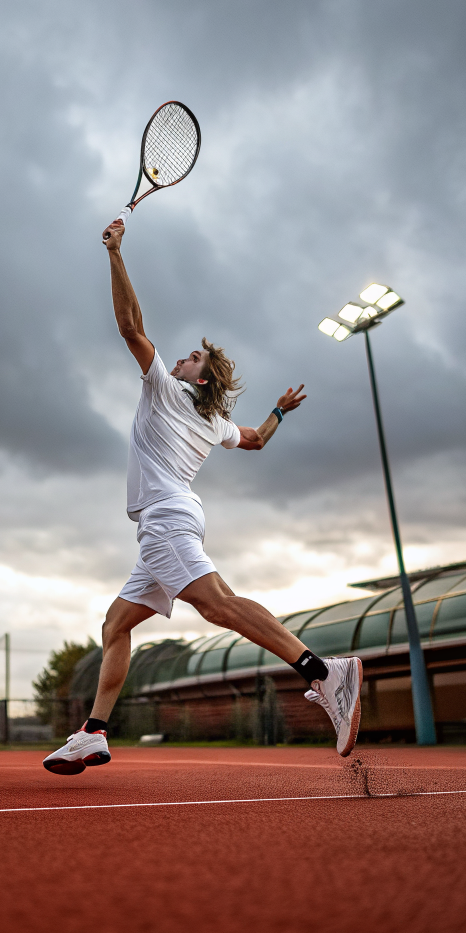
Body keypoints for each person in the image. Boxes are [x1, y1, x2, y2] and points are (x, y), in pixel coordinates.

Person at [43, 218, 362, 774]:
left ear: (201, 380)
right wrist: (279, 410)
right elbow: (257, 439)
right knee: (116, 625)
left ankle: (323, 672)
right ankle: (93, 733)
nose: (184, 356)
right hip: (170, 521)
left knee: (216, 604)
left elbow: (129, 325)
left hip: (166, 519)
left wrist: (115, 253)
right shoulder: (216, 423)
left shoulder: (165, 388)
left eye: (194, 358)